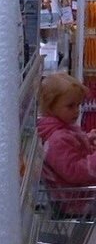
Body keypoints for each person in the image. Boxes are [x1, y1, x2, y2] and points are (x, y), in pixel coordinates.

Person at [38, 72, 96, 215]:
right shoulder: (57, 139)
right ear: (50, 107)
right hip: (78, 201)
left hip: (79, 196)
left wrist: (87, 139)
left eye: (78, 105)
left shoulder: (62, 131)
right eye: (70, 106)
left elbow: (70, 152)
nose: (77, 111)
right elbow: (75, 171)